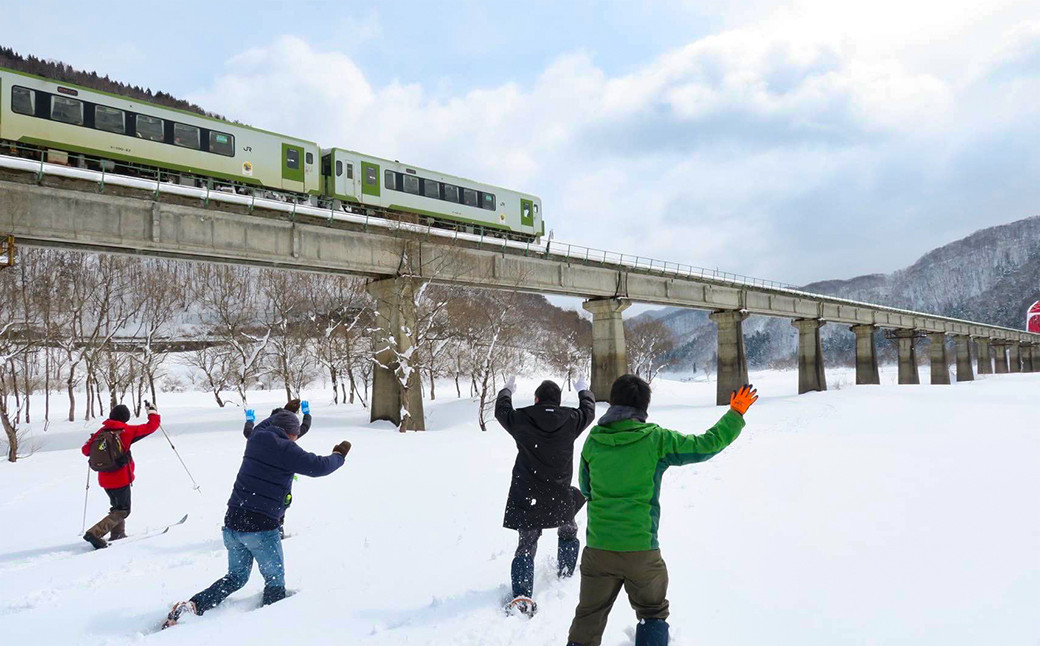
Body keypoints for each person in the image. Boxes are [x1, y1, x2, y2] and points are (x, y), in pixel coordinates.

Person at [565, 375, 758, 646]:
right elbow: (705, 445)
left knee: (588, 617)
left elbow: (586, 488)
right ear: (643, 407)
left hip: (599, 549)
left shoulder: (594, 441)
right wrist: (735, 414)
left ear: (613, 403)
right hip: (641, 551)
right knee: (652, 612)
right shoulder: (656, 439)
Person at [162, 409, 351, 628]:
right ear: (291, 433)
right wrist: (338, 455)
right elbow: (319, 467)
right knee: (275, 581)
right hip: (260, 526)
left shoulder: (255, 438)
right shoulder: (286, 449)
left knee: (236, 577)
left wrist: (284, 412)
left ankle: (193, 606)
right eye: (296, 434)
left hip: (233, 521)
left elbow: (265, 424)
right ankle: (270, 626)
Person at [495, 375, 596, 616]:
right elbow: (589, 411)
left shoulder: (522, 419)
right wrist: (584, 391)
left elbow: (501, 411)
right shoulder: (570, 419)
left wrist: (507, 391)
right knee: (569, 528)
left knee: (527, 543)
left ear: (536, 398)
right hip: (559, 493)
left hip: (528, 493)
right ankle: (566, 571)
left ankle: (521, 594)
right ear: (559, 401)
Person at [81, 402, 161, 549]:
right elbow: (151, 427)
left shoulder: (101, 432)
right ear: (125, 418)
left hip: (104, 478)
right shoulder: (127, 430)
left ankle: (118, 534)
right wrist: (152, 413)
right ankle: (95, 533)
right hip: (121, 478)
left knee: (117, 507)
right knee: (123, 510)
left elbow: (85, 450)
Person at [243, 399, 312, 538]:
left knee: (259, 500)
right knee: (280, 501)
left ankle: (256, 526)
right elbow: (305, 427)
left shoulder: (258, 436)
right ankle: (278, 527)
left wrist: (249, 421)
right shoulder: (289, 437)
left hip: (258, 477)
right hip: (279, 479)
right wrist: (307, 414)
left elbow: (248, 432)